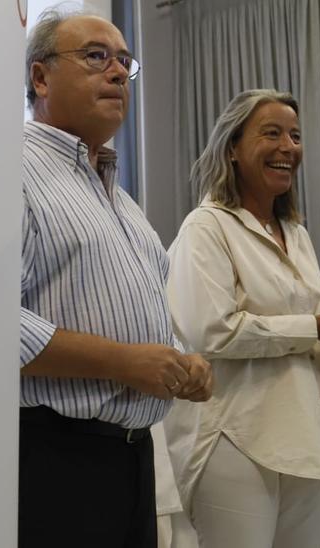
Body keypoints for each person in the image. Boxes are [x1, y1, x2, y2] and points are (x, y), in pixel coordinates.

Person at [18, 8, 213, 548]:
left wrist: (177, 359)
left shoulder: (123, 202)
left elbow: (140, 314)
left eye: (124, 61)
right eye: (96, 57)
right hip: (53, 457)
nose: (117, 72)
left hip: (130, 455)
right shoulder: (11, 171)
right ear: (40, 77)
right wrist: (125, 364)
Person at [161, 89, 320, 548]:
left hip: (302, 433)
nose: (289, 147)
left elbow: (316, 325)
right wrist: (313, 330)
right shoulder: (206, 228)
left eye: (296, 135)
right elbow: (213, 331)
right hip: (233, 437)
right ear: (232, 149)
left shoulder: (296, 234)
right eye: (272, 133)